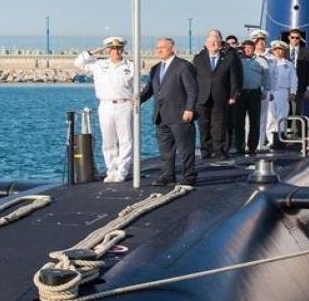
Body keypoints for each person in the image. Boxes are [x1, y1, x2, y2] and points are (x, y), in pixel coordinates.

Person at [74, 37, 134, 182]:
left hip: (124, 105)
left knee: (125, 140)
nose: (116, 52)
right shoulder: (99, 65)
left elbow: (137, 87)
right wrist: (98, 50)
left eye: (119, 49)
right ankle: (111, 170)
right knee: (108, 141)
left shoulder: (130, 66)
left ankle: (122, 170)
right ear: (108, 50)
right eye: (113, 49)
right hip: (105, 105)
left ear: (123, 50)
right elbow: (78, 62)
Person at [140, 38, 198, 186]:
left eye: (162, 47)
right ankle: (168, 175)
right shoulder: (156, 68)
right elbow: (149, 90)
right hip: (161, 115)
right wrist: (137, 100)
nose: (159, 50)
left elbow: (192, 90)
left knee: (185, 149)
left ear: (172, 48)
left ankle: (189, 176)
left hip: (180, 114)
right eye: (157, 48)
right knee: (166, 150)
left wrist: (189, 108)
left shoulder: (183, 66)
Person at [192, 30, 242, 160]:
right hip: (202, 97)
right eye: (210, 40)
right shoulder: (198, 59)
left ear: (220, 43)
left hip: (221, 96)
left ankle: (218, 150)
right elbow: (193, 79)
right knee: (203, 125)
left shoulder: (229, 58)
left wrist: (233, 95)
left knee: (219, 125)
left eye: (216, 40)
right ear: (206, 43)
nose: (213, 43)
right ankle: (205, 150)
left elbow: (234, 78)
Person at [234, 39, 269, 154]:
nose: (248, 50)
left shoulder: (261, 61)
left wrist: (265, 90)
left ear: (254, 49)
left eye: (250, 48)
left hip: (255, 93)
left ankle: (252, 147)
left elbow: (266, 77)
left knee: (255, 121)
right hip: (241, 93)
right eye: (245, 48)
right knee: (239, 122)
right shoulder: (237, 61)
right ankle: (240, 147)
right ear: (242, 49)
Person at [266, 40, 298, 149]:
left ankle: (280, 139)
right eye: (276, 50)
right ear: (273, 51)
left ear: (284, 51)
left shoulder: (288, 65)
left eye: (281, 50)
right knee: (270, 117)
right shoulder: (269, 62)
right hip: (270, 91)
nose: (278, 52)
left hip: (283, 92)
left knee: (282, 117)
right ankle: (270, 140)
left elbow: (294, 79)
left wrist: (293, 92)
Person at [248, 29, 272, 151]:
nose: (261, 43)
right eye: (258, 41)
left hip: (266, 92)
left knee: (263, 118)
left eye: (263, 41)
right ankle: (249, 143)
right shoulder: (250, 57)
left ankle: (260, 143)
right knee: (250, 119)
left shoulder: (271, 57)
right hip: (253, 91)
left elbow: (271, 76)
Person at [288, 28, 309, 135]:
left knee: (296, 111)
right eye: (292, 37)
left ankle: (295, 135)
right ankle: (278, 134)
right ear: (289, 38)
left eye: (297, 38)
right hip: (283, 86)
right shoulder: (283, 51)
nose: (295, 40)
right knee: (282, 111)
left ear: (300, 39)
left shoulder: (306, 52)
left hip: (299, 86)